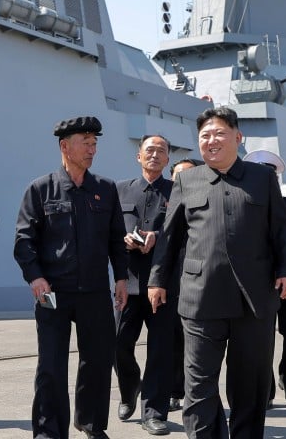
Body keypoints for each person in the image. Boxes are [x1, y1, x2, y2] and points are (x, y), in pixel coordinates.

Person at [148, 106, 286, 439]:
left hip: (254, 298)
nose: (211, 141)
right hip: (201, 297)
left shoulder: (263, 178)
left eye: (218, 133)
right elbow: (169, 237)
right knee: (198, 385)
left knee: (250, 385)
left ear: (237, 137)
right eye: (204, 136)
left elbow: (282, 232)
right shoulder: (187, 179)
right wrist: (157, 280)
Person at [13, 116, 128, 439]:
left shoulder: (105, 189)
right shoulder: (39, 189)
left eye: (95, 143)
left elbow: (116, 239)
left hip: (94, 291)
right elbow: (23, 242)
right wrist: (35, 279)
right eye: (85, 143)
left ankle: (91, 423)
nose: (92, 149)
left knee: (97, 361)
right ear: (65, 146)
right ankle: (49, 431)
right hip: (54, 293)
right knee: (51, 365)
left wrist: (121, 278)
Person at [115, 134, 175, 436]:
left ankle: (154, 412)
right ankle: (129, 391)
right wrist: (123, 239)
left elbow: (185, 234)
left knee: (161, 351)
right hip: (127, 282)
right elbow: (107, 232)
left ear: (168, 159)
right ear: (138, 156)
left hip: (162, 284)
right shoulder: (119, 190)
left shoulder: (177, 193)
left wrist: (158, 237)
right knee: (118, 344)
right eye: (149, 150)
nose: (154, 155)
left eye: (161, 151)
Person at [243, 149, 286, 408]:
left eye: (272, 175)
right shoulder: (245, 204)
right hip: (258, 281)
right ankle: (266, 388)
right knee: (262, 336)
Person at [167, 158, 201, 414]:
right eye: (177, 175)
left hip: (199, 284)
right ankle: (175, 391)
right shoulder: (162, 202)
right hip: (169, 283)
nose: (182, 180)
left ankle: (193, 394)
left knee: (196, 346)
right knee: (174, 343)